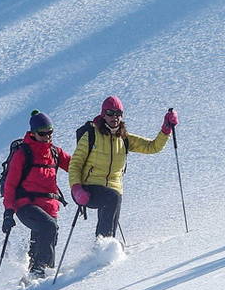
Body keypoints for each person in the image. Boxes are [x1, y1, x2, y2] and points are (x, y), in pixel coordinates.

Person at [68, 96, 178, 239]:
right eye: (110, 113)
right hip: (88, 189)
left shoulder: (124, 138)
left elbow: (152, 147)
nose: (115, 117)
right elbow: (75, 164)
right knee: (112, 198)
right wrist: (76, 189)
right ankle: (103, 246)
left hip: (113, 191)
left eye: (118, 113)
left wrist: (166, 128)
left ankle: (104, 252)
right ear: (103, 114)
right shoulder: (91, 135)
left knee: (113, 200)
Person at [2, 110, 72, 279]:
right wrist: (8, 212)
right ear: (33, 133)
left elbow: (74, 166)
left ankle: (33, 280)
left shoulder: (55, 152)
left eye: (50, 132)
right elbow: (10, 185)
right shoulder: (23, 154)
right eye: (43, 133)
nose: (47, 136)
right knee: (49, 227)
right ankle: (41, 273)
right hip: (26, 206)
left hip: (50, 206)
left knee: (47, 239)